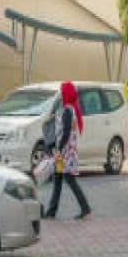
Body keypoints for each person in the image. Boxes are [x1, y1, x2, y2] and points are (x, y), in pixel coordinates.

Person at [44, 82, 91, 220]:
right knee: (58, 180)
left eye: (62, 92)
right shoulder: (72, 109)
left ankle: (85, 207)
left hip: (64, 155)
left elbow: (65, 133)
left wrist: (58, 149)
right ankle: (52, 211)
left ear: (67, 94)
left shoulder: (68, 111)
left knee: (69, 180)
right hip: (66, 153)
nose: (61, 94)